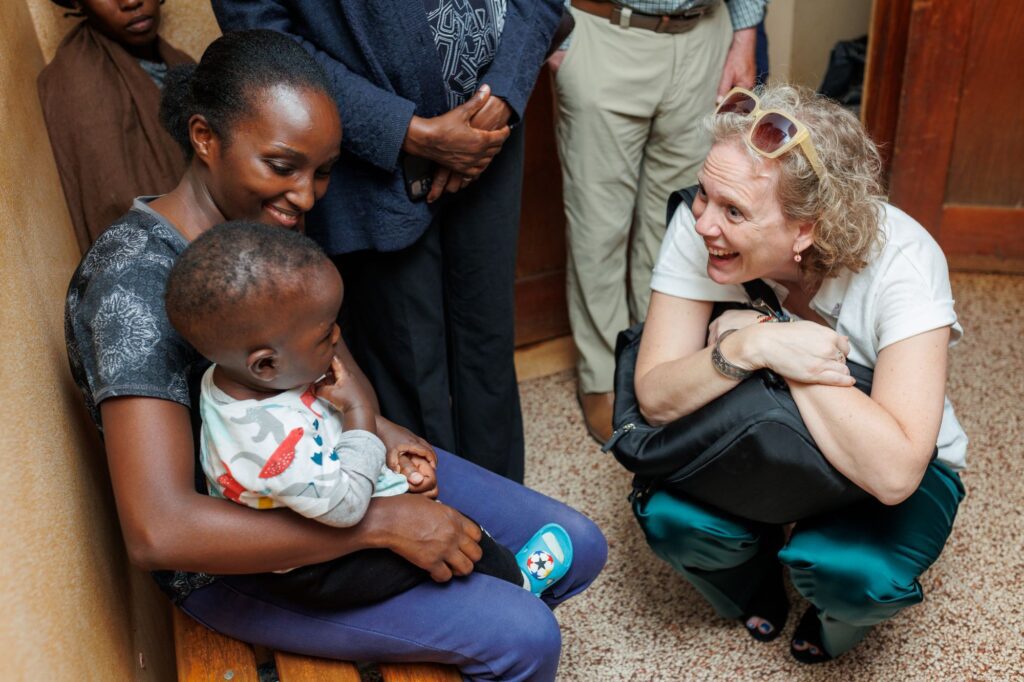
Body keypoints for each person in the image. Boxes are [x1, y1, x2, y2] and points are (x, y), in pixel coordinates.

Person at [65, 29, 606, 681]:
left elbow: (328, 370)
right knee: (525, 636)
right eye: (282, 165)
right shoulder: (131, 285)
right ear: (205, 138)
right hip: (240, 561)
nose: (304, 196)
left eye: (322, 172)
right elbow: (161, 530)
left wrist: (389, 437)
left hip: (338, 472)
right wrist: (379, 526)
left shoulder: (264, 226)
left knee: (575, 545)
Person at [632, 83, 967, 662]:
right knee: (670, 521)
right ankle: (752, 577)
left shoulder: (905, 260)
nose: (704, 221)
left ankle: (834, 619)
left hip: (877, 454)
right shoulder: (704, 227)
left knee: (854, 577)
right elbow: (655, 398)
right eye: (705, 196)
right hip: (759, 435)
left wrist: (781, 349)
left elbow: (894, 474)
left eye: (734, 210)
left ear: (807, 229)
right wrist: (755, 346)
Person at [212, 0, 566, 483]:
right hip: (371, 163)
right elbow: (263, 33)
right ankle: (443, 535)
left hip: (492, 138)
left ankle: (507, 513)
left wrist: (501, 97)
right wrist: (404, 131)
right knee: (410, 368)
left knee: (488, 342)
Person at [164, 222, 575, 607]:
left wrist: (386, 464)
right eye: (326, 334)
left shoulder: (237, 378)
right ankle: (519, 585)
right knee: (453, 528)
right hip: (319, 568)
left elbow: (318, 438)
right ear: (265, 364)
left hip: (324, 505)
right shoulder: (268, 450)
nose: (338, 336)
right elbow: (347, 506)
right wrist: (361, 411)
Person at [549, 0, 768, 442]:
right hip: (605, 30)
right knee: (599, 226)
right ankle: (602, 377)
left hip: (704, 35)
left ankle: (662, 369)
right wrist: (560, 37)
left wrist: (745, 32)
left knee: (682, 223)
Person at [38, 0, 193, 252]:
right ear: (78, 3)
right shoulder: (81, 78)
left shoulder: (178, 62)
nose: (131, 2)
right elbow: (116, 203)